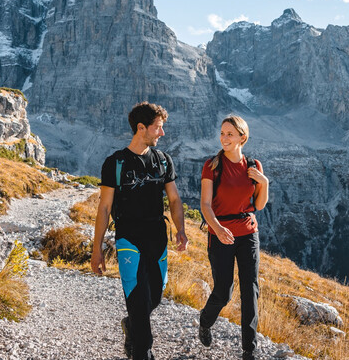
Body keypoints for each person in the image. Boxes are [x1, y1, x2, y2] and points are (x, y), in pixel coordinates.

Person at [91, 102, 189, 360]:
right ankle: (141, 351)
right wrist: (97, 250)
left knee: (154, 296)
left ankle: (131, 325)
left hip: (157, 236)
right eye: (158, 128)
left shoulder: (163, 160)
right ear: (141, 128)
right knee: (136, 300)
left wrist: (181, 230)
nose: (162, 134)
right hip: (128, 238)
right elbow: (104, 209)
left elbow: (175, 200)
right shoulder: (115, 163)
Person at [197, 115, 269, 360]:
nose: (224, 138)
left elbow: (258, 204)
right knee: (224, 291)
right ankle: (205, 320)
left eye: (230, 134)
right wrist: (217, 228)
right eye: (222, 133)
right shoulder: (212, 165)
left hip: (248, 232)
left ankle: (249, 349)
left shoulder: (254, 166)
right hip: (220, 233)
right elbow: (205, 205)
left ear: (242, 138)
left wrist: (265, 182)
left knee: (251, 289)